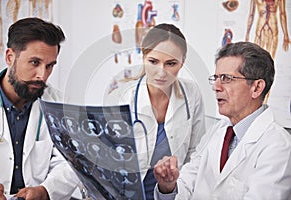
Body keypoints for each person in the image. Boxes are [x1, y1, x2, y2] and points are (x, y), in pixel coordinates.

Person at [153, 41, 291, 199]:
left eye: (226, 78)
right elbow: (187, 182)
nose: (216, 87)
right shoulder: (219, 130)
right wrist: (168, 187)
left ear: (257, 88)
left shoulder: (279, 147)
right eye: (216, 78)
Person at [105, 23, 206, 199]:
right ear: (144, 57)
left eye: (171, 63)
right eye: (153, 61)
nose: (161, 72)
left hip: (173, 192)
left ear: (182, 63)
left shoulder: (192, 93)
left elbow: (196, 152)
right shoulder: (124, 97)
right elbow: (113, 157)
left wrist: (178, 188)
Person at [0, 17, 79, 200]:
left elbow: (70, 162)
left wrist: (45, 190)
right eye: (34, 63)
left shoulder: (59, 103)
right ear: (10, 57)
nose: (42, 75)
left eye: (49, 66)